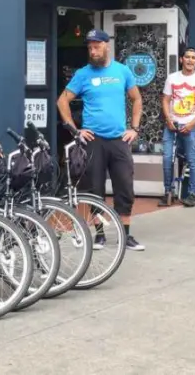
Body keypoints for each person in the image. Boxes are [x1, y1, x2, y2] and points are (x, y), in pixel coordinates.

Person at [56, 29, 145, 252]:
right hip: (93, 140)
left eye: (96, 46)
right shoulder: (83, 74)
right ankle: (100, 235)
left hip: (118, 139)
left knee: (124, 186)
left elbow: (136, 99)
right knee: (94, 188)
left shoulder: (122, 71)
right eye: (89, 47)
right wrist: (75, 131)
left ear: (107, 46)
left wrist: (134, 128)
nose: (92, 50)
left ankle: (125, 236)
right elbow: (62, 101)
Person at [159, 46, 195, 208]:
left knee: (192, 159)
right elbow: (166, 100)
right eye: (187, 57)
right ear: (181, 59)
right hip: (172, 124)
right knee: (167, 157)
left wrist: (192, 123)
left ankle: (193, 193)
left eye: (193, 58)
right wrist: (168, 119)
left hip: (192, 125)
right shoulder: (172, 78)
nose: (190, 60)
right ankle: (168, 192)